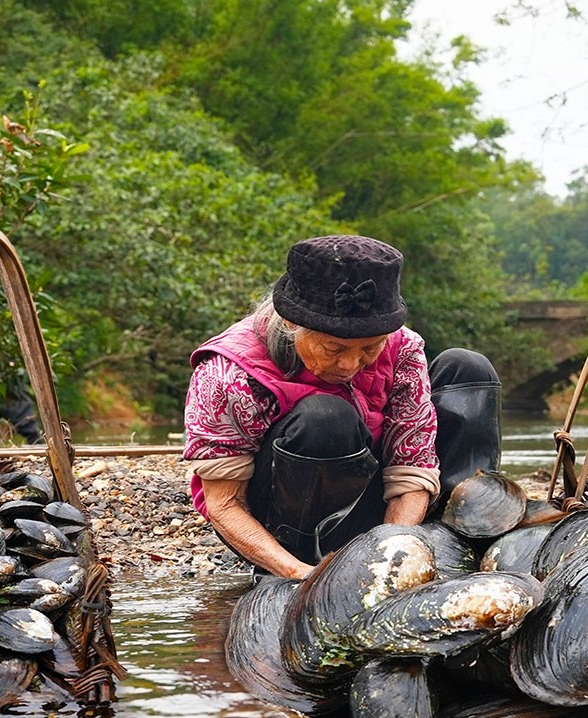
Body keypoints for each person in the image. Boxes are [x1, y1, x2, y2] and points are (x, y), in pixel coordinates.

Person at [182, 235, 502, 579]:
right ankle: (310, 559)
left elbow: (411, 467)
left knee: (467, 368)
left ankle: (459, 539)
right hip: (283, 526)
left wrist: (392, 550)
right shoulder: (229, 372)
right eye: (333, 348)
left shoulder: (403, 348)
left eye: (369, 348)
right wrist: (298, 573)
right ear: (292, 324)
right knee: (326, 416)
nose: (351, 364)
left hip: (379, 505)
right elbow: (224, 504)